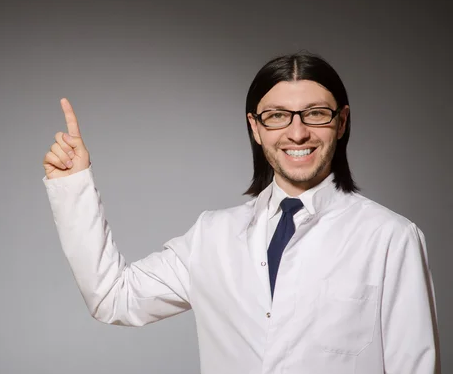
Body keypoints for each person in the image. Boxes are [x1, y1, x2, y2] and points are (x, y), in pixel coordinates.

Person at [42, 52, 439, 373]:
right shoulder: (212, 236)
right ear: (255, 127)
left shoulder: (390, 237)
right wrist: (73, 185)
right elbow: (113, 297)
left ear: (341, 122)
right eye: (277, 116)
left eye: (316, 113)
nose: (297, 132)